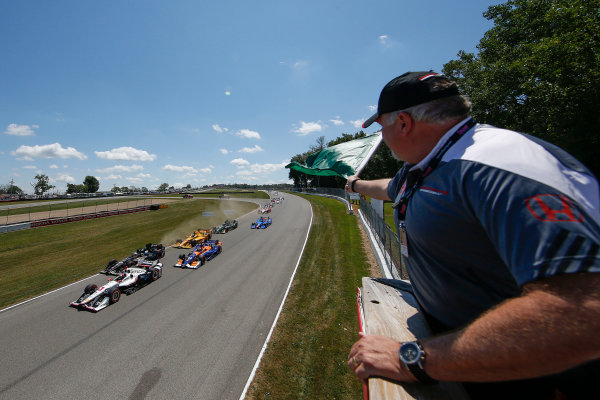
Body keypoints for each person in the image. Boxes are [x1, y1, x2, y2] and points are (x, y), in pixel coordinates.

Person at [345, 71, 600, 399]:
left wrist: (415, 360)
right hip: (476, 363)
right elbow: (392, 188)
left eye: (382, 128)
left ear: (404, 123)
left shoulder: (498, 166)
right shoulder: (429, 164)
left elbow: (581, 311)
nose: (383, 137)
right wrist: (355, 185)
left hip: (536, 379)